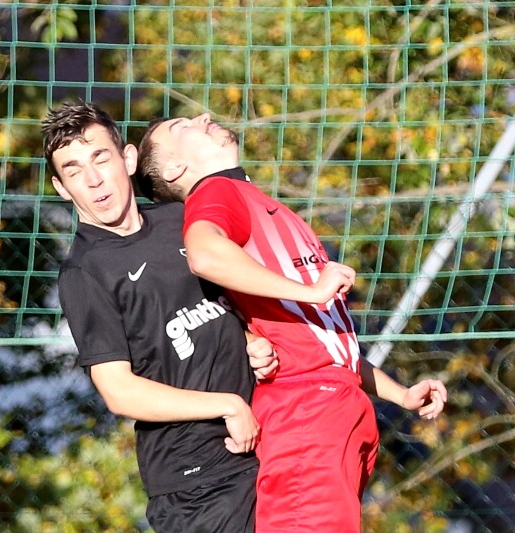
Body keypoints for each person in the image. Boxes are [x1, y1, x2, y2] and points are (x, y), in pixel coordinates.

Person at [137, 112, 449, 533]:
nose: (204, 116)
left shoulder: (255, 201)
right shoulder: (215, 192)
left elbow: (324, 344)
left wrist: (400, 394)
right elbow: (204, 255)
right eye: (183, 126)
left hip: (337, 404)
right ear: (175, 169)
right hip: (305, 412)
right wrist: (311, 292)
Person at [42, 102, 276, 533]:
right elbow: (119, 392)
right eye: (74, 171)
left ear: (128, 159)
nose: (93, 179)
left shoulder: (183, 218)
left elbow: (232, 302)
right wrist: (226, 404)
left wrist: (252, 340)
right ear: (61, 187)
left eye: (100, 158)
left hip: (268, 443)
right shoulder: (85, 272)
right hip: (197, 483)